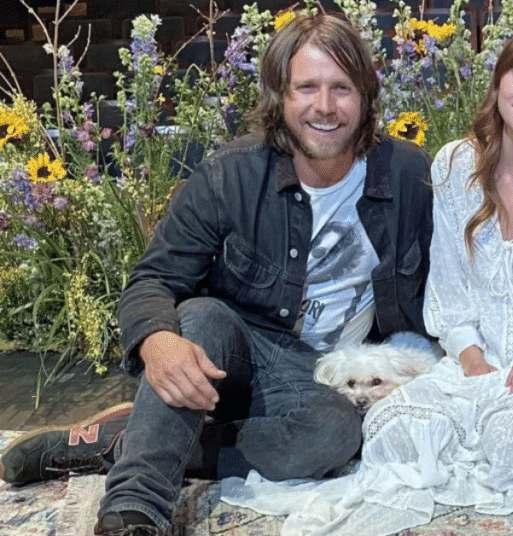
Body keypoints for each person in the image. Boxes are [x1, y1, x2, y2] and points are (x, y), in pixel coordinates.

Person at [218, 21, 513, 536]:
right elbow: (450, 293)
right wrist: (473, 363)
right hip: (478, 358)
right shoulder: (457, 166)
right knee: (392, 429)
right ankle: (483, 431)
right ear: (498, 85)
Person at [0, 13, 433, 536]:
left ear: (365, 96)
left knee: (336, 435)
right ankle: (136, 506)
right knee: (195, 318)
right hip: (234, 352)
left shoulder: (409, 175)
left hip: (316, 370)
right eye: (307, 88)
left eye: (341, 88)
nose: (324, 106)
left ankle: (128, 439)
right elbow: (154, 279)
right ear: (280, 94)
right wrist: (157, 341)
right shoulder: (230, 173)